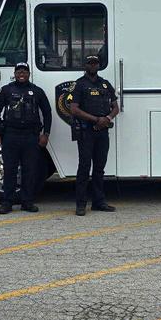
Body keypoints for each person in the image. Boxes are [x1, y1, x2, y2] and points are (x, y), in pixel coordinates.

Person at [0, 62, 52, 214]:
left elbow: (47, 113)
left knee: (30, 171)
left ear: (29, 74)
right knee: (9, 170)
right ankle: (7, 202)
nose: (21, 74)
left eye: (24, 71)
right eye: (19, 71)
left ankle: (27, 202)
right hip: (11, 135)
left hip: (31, 136)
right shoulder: (6, 90)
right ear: (15, 74)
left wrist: (46, 134)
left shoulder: (37, 91)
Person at [68, 54, 120, 216]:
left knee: (99, 168)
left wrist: (107, 118)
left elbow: (116, 107)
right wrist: (96, 119)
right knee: (84, 168)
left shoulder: (105, 84)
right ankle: (81, 204)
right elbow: (74, 109)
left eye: (95, 63)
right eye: (90, 63)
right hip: (86, 132)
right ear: (85, 66)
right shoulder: (79, 84)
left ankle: (98, 202)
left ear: (99, 65)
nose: (93, 66)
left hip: (102, 132)